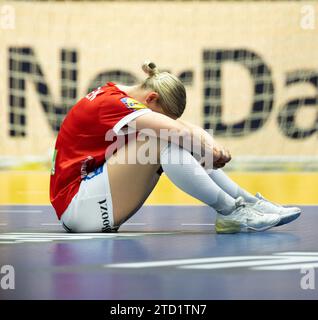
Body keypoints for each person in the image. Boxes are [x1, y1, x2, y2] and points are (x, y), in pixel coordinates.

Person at [49, 61, 301, 234]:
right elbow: (178, 131)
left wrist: (208, 143)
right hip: (79, 209)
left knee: (169, 137)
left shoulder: (117, 95)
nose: (165, 121)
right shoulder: (114, 104)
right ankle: (230, 211)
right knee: (161, 139)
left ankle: (246, 203)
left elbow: (182, 127)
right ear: (152, 99)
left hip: (89, 200)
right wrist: (208, 150)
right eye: (163, 114)